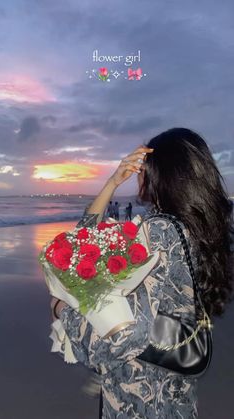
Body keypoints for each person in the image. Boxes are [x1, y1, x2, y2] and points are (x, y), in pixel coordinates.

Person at [51, 128, 234, 419]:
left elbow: (125, 336)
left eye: (143, 169)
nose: (138, 174)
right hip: (174, 390)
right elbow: (84, 241)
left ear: (161, 175)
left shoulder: (158, 230)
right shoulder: (198, 227)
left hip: (141, 395)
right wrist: (112, 182)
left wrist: (63, 310)